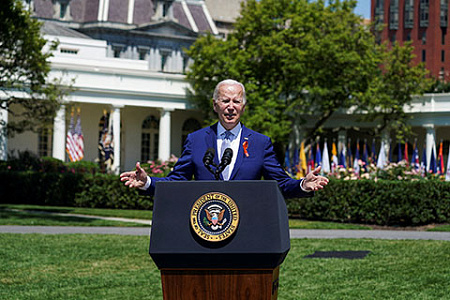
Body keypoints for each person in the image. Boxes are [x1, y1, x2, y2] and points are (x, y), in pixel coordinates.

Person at [120, 79, 328, 198]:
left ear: (243, 107)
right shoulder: (196, 140)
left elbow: (281, 183)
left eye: (236, 101)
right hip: (205, 225)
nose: (231, 106)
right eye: (225, 100)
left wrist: (302, 185)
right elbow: (177, 181)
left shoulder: (260, 143)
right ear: (215, 105)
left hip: (247, 225)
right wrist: (147, 182)